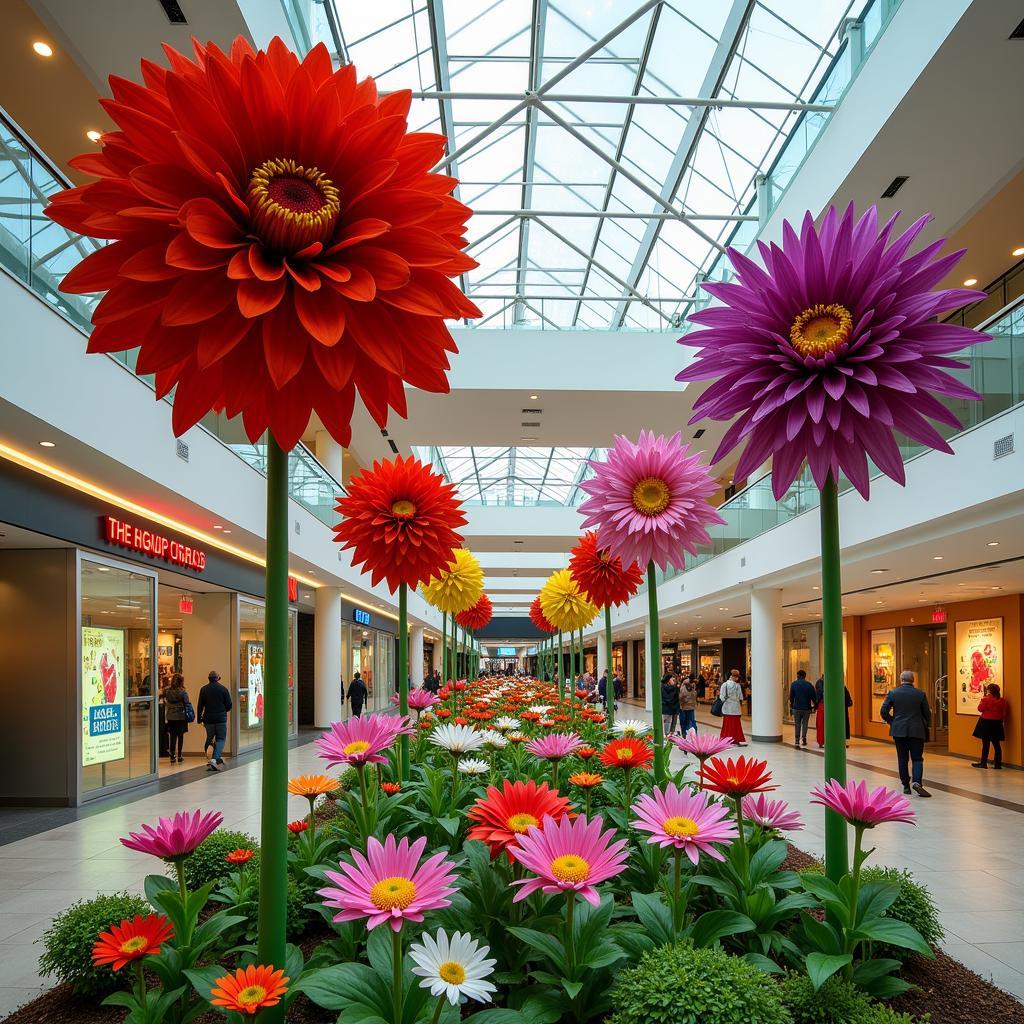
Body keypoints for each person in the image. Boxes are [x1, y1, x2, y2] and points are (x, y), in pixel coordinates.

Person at [880, 670, 932, 797]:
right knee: (917, 758)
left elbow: (883, 711)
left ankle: (906, 786)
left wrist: (892, 721)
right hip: (917, 730)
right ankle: (917, 782)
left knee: (902, 758)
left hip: (899, 730)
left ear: (901, 679)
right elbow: (927, 713)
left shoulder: (893, 693)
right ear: (913, 680)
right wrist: (924, 723)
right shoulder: (920, 694)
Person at [197, 669, 232, 772]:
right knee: (220, 739)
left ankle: (210, 758)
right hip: (221, 719)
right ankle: (214, 759)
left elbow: (200, 706)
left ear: (209, 679)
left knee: (210, 737)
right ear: (218, 678)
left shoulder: (203, 689)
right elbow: (229, 705)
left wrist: (199, 718)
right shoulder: (223, 689)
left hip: (208, 719)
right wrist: (223, 711)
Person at [972, 684, 1008, 769]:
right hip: (997, 724)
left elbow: (980, 709)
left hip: (986, 723)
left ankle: (983, 763)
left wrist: (983, 700)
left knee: (986, 744)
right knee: (997, 744)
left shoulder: (986, 700)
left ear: (989, 691)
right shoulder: (1003, 701)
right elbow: (1004, 713)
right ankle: (998, 764)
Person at [814, 676, 854, 748]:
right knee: (839, 724)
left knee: (822, 724)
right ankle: (840, 741)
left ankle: (823, 741)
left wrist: (816, 705)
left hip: (825, 706)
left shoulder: (821, 685)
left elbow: (818, 696)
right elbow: (848, 700)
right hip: (840, 709)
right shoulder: (842, 687)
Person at [164, 672, 189, 764]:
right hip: (181, 716)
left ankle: (172, 756)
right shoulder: (183, 691)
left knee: (172, 736)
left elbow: (165, 699)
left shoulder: (167, 691)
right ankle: (180, 755)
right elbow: (187, 702)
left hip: (171, 716)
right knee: (180, 736)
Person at [719, 669, 747, 746]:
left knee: (727, 725)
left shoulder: (724, 685)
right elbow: (741, 697)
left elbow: (722, 697)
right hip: (736, 708)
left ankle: (725, 739)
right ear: (735, 677)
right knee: (736, 725)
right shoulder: (737, 686)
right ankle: (736, 740)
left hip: (727, 708)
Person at [789, 670, 816, 747]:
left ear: (798, 676)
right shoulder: (809, 685)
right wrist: (815, 706)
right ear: (805, 676)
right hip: (806, 708)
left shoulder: (793, 684)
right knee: (805, 724)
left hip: (796, 708)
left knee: (797, 724)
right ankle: (804, 737)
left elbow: (791, 697)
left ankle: (797, 740)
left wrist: (791, 705)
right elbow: (813, 697)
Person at [661, 672, 680, 736]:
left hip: (674, 709)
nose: (673, 679)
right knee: (667, 724)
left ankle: (671, 736)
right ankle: (667, 737)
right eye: (672, 678)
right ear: (668, 679)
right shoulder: (663, 687)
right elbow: (669, 698)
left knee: (673, 725)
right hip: (667, 709)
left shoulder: (674, 687)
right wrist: (675, 687)